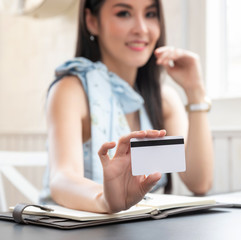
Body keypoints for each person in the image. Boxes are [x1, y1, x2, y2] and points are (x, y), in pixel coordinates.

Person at [40, 0, 213, 214]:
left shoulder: (164, 98)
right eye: (123, 13)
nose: (141, 29)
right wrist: (106, 199)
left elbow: (199, 182)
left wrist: (195, 91)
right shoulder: (72, 90)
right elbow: (61, 178)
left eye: (150, 14)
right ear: (92, 21)